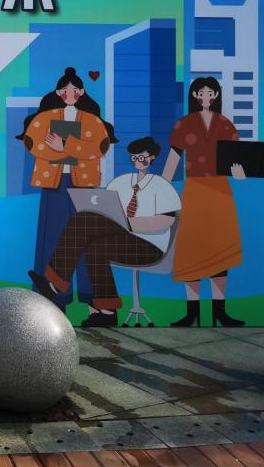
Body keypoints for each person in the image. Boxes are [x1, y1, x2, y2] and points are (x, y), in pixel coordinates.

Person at [28, 137, 180, 327]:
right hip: (122, 237)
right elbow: (107, 209)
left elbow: (165, 221)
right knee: (90, 237)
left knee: (86, 223)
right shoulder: (120, 182)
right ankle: (107, 311)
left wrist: (127, 223)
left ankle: (55, 284)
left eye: (141, 158)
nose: (137, 162)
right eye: (134, 158)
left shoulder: (161, 185)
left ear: (152, 158)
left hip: (149, 246)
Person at [17, 67, 115, 313]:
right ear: (58, 92)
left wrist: (65, 146)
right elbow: (33, 143)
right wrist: (73, 151)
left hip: (84, 184)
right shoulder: (45, 118)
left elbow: (100, 147)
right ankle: (53, 298)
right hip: (55, 184)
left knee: (88, 240)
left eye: (74, 90)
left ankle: (93, 297)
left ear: (82, 92)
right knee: (53, 238)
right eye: (64, 90)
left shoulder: (91, 120)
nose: (69, 94)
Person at [161, 76, 247, 327]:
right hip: (195, 190)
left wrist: (240, 174)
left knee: (220, 249)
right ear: (195, 96)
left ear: (216, 95)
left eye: (210, 93)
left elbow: (237, 162)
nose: (206, 97)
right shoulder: (185, 124)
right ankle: (192, 312)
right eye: (201, 93)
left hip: (220, 191)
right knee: (192, 249)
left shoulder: (226, 124)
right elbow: (174, 158)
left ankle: (220, 311)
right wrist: (162, 186)